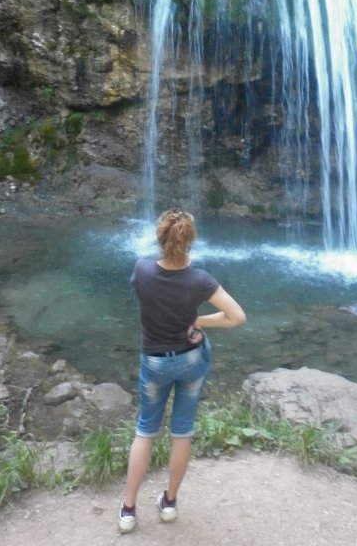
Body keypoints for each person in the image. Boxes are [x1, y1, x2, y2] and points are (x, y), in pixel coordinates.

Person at [118, 208, 246, 534]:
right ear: (190, 242)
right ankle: (169, 503)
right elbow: (236, 317)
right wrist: (198, 321)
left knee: (145, 431)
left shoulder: (142, 271)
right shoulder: (200, 280)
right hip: (191, 360)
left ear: (160, 239)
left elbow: (155, 283)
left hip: (155, 362)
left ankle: (128, 510)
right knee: (182, 430)